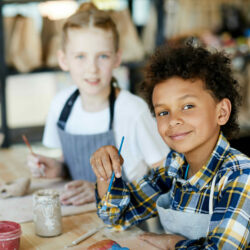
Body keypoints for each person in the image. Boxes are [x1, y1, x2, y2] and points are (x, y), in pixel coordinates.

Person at [91, 44, 250, 249]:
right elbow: (118, 217)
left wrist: (173, 243)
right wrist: (105, 173)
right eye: (163, 112)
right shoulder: (174, 166)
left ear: (221, 112)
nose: (173, 120)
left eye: (188, 106)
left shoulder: (240, 176)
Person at [27, 3, 168, 206]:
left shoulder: (133, 111)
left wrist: (101, 190)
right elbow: (70, 166)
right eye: (80, 57)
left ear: (117, 58)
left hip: (127, 224)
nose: (92, 68)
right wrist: (57, 169)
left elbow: (165, 180)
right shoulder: (61, 105)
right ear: (63, 59)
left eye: (102, 56)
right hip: (77, 215)